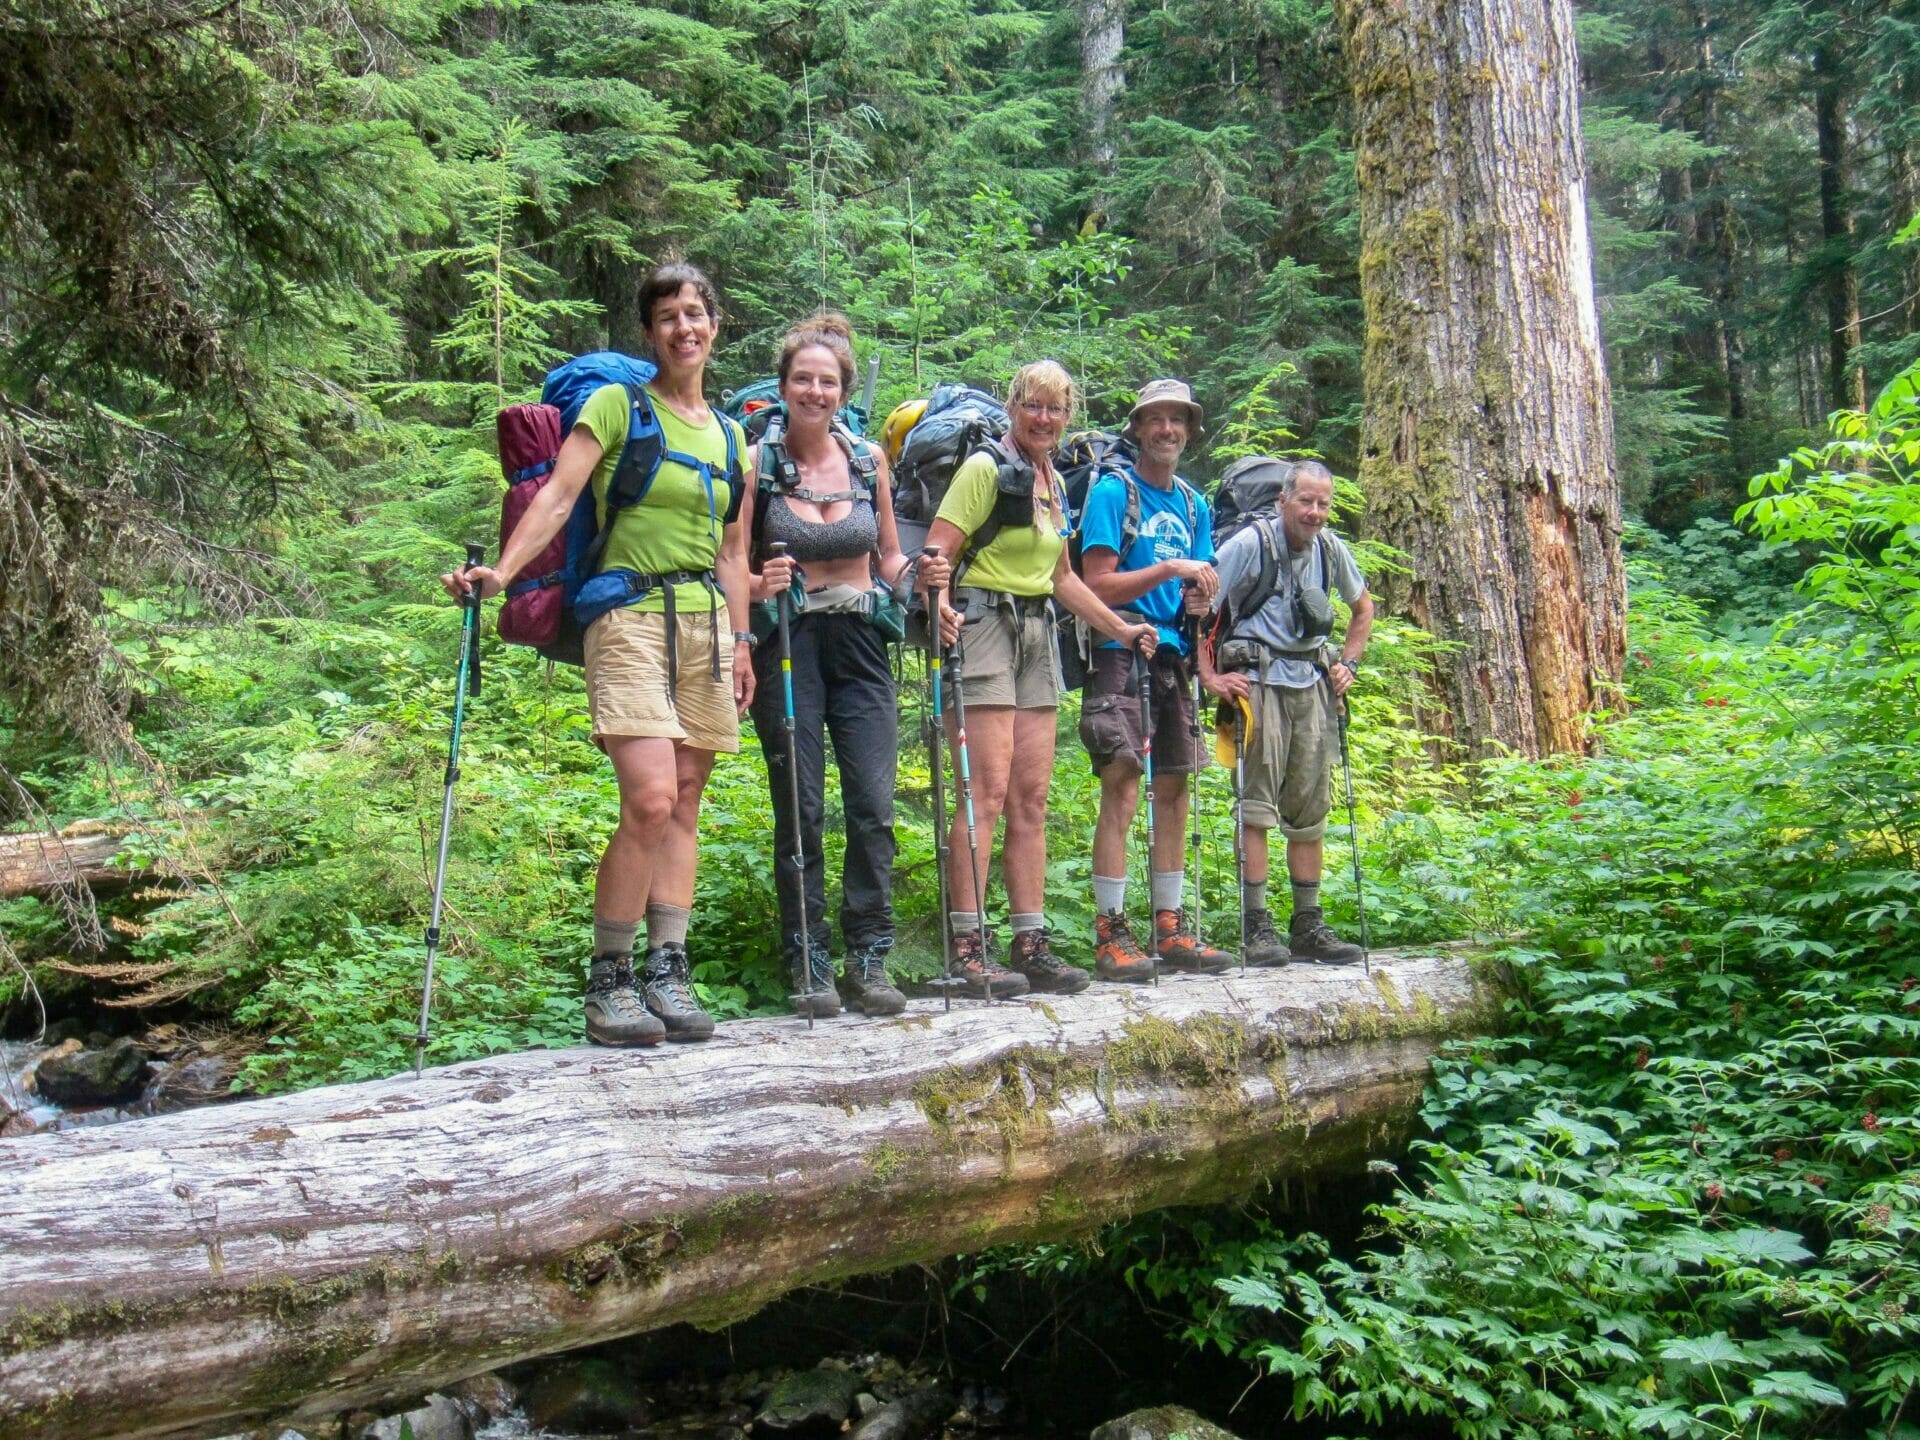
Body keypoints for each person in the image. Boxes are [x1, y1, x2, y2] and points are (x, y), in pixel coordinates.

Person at [444, 262, 753, 1046]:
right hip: (628, 619)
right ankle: (609, 977)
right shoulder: (619, 406)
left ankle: (669, 967)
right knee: (649, 799)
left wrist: (742, 641)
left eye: (696, 313)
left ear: (715, 325)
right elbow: (558, 497)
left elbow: (731, 551)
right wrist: (501, 576)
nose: (685, 327)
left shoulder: (733, 437)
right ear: (650, 333)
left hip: (707, 628)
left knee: (686, 799)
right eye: (668, 316)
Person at [923, 360, 1158, 996]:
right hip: (984, 630)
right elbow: (937, 554)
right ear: (1014, 407)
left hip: (1037, 635)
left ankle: (1030, 942)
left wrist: (1121, 629)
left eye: (1055, 408)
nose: (1045, 418)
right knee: (986, 794)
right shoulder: (983, 470)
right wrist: (939, 606)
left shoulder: (1053, 482)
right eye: (1033, 405)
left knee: (1032, 799)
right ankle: (968, 946)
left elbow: (1061, 578)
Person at [742, 313, 950, 1018]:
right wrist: (750, 606)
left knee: (871, 802)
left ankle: (870, 954)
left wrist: (916, 576)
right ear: (784, 386)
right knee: (798, 806)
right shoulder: (760, 464)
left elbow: (888, 554)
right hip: (789, 642)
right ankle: (808, 956)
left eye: (827, 381)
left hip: (863, 642)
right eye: (802, 378)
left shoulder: (867, 461)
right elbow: (732, 561)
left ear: (843, 389)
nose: (814, 390)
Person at [1078, 379, 1234, 981]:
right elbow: (1095, 584)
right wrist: (1169, 568)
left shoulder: (1194, 504)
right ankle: (1110, 931)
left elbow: (1198, 588)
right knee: (1121, 783)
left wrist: (1196, 605)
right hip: (1121, 649)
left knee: (1174, 786)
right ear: (1139, 428)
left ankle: (1168, 926)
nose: (1167, 430)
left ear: (1189, 431)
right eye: (1156, 420)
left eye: (1177, 420)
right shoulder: (1115, 493)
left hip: (1173, 656)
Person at [1199, 459, 1373, 965]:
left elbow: (1362, 608)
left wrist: (1350, 663)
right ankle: (1257, 927)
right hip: (1257, 685)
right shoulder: (1251, 544)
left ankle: (1307, 924)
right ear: (1283, 501)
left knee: (1309, 806)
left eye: (1323, 503)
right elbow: (1198, 599)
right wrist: (1208, 675)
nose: (1315, 512)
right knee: (1257, 807)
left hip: (1313, 685)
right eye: (1306, 501)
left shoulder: (1330, 550)